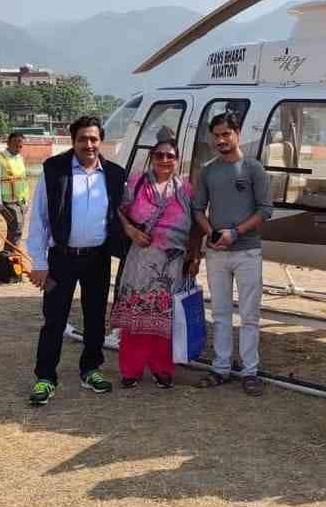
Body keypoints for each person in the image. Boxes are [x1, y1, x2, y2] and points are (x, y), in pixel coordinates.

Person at [25, 116, 128, 405]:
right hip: (61, 258)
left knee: (95, 317)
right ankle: (45, 376)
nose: (89, 144)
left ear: (101, 141)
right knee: (54, 318)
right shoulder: (54, 170)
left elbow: (123, 216)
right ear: (73, 141)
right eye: (83, 139)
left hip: (97, 257)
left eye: (94, 139)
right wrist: (39, 263)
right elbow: (39, 219)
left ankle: (91, 369)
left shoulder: (115, 174)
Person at [110, 134, 204, 389]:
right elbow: (117, 210)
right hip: (140, 261)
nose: (164, 160)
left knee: (165, 319)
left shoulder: (185, 190)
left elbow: (197, 226)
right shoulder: (136, 183)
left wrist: (195, 256)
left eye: (170, 156)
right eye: (159, 155)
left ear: (177, 160)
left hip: (173, 265)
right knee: (136, 318)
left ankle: (162, 368)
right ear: (152, 157)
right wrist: (130, 231)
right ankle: (131, 369)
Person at [191, 111, 272, 396]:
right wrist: (212, 233)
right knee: (221, 312)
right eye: (216, 136)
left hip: (247, 251)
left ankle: (250, 371)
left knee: (249, 315)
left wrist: (235, 232)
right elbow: (198, 209)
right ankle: (221, 367)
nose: (221, 140)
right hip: (217, 254)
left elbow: (265, 209)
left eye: (226, 134)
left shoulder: (253, 169)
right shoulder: (209, 171)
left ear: (237, 133)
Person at [0, 131, 28, 256]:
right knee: (15, 227)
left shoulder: (20, 158)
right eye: (15, 144)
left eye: (20, 146)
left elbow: (22, 179)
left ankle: (10, 257)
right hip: (7, 202)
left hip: (21, 201)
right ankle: (10, 256)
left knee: (17, 230)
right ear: (8, 143)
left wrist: (26, 201)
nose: (18, 148)